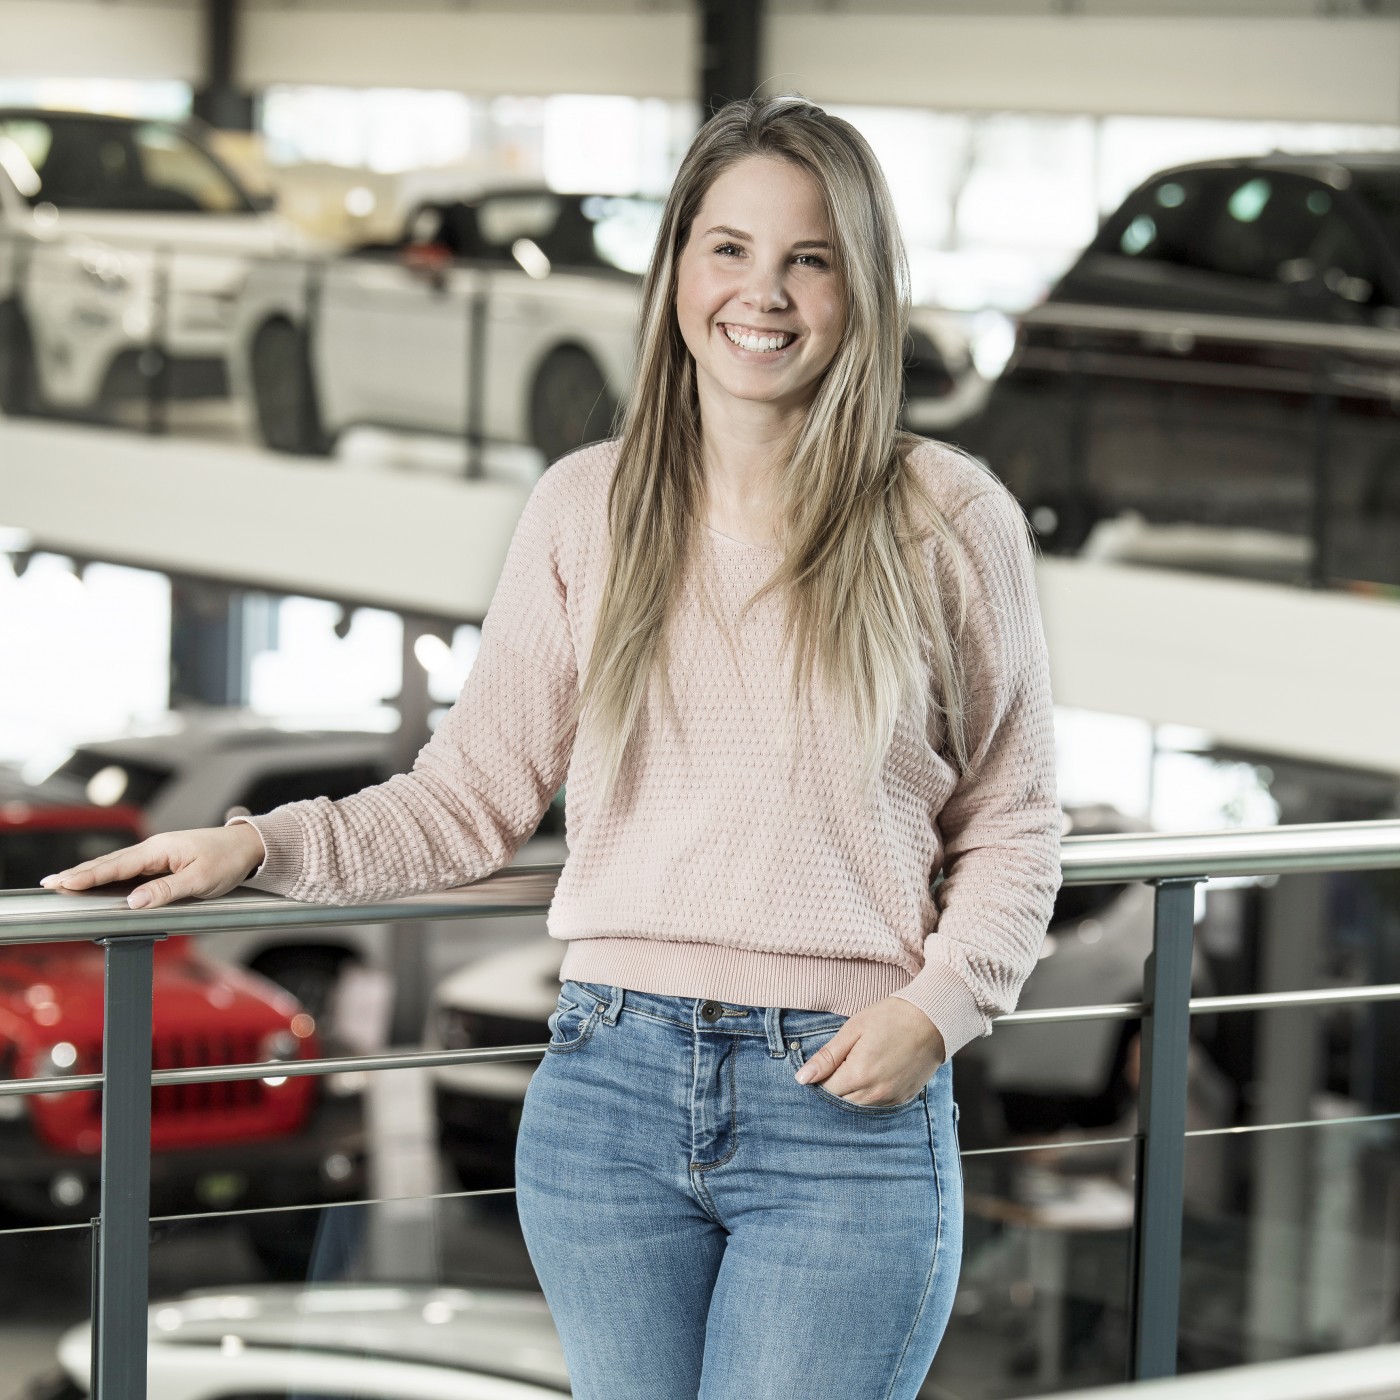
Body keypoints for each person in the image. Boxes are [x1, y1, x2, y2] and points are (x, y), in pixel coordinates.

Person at [41, 95, 1062, 1400]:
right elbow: (469, 797)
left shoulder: (944, 517)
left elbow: (1017, 816)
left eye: (810, 258)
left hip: (843, 1102)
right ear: (677, 269)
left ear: (861, 287)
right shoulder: (589, 506)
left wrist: (941, 1007)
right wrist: (256, 847)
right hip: (610, 1093)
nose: (766, 293)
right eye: (730, 249)